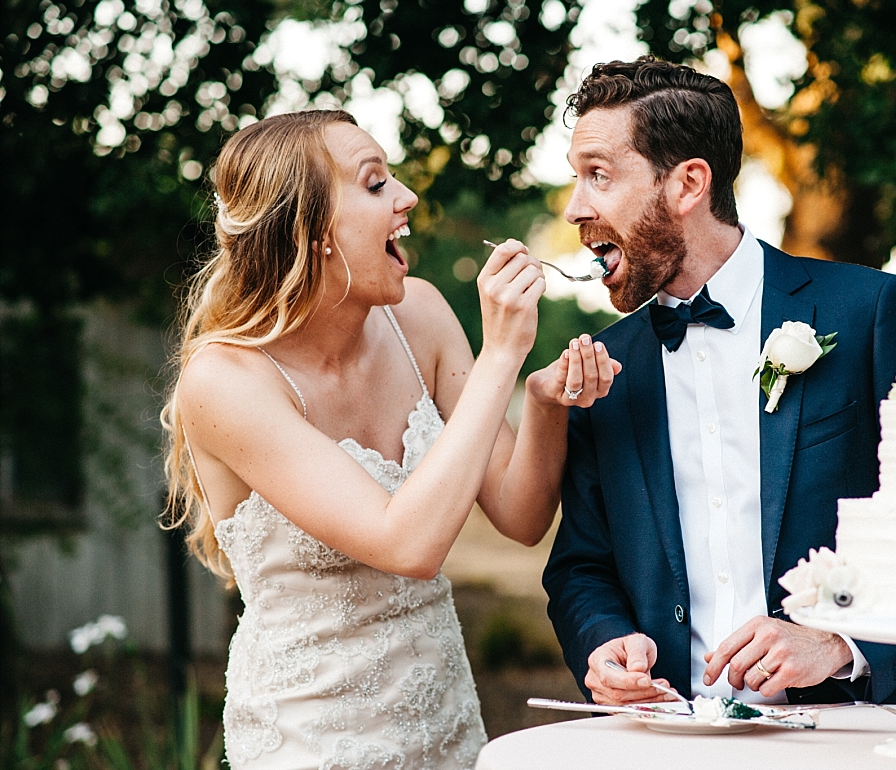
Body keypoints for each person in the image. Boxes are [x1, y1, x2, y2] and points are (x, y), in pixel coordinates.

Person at [161, 109, 620, 769]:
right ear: (310, 230)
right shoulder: (226, 381)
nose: (406, 197)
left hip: (445, 725)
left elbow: (522, 515)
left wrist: (544, 405)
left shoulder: (421, 315)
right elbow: (407, 545)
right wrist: (500, 358)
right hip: (310, 740)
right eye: (376, 185)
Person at [542, 57, 896, 709]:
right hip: (670, 738)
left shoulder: (870, 314)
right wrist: (604, 642)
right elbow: (581, 567)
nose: (575, 207)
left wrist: (843, 643)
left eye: (599, 176)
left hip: (856, 735)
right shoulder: (603, 367)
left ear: (688, 184)